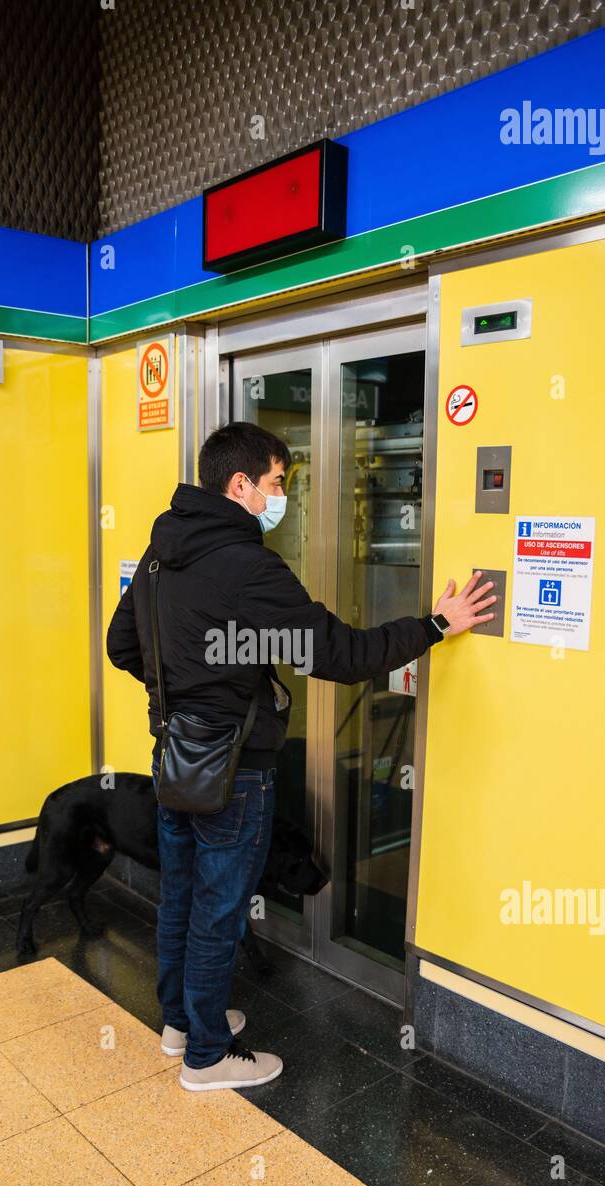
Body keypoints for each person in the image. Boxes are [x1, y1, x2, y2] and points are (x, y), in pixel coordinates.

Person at [106, 421, 496, 1091]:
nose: (279, 497)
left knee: (183, 896)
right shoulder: (247, 565)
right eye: (276, 484)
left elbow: (123, 647)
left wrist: (193, 689)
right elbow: (340, 656)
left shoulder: (158, 553)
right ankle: (205, 1056)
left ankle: (180, 1022)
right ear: (240, 484)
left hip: (174, 753)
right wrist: (433, 626)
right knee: (218, 909)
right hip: (233, 768)